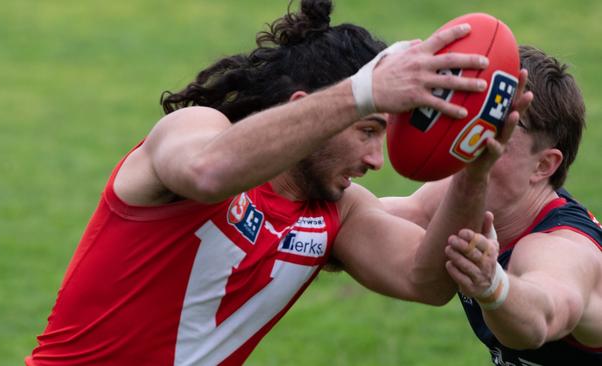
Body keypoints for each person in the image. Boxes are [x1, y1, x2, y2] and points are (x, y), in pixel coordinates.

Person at [26, 1, 530, 365]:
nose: (376, 160)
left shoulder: (338, 209)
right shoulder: (195, 131)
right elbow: (208, 172)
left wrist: (474, 168)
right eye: (368, 129)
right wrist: (362, 91)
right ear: (307, 110)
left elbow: (425, 281)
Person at [382, 45, 601, 365]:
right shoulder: (460, 190)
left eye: (495, 137)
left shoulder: (563, 250)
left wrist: (492, 285)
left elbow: (539, 319)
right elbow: (360, 220)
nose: (467, 149)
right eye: (468, 126)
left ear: (543, 166)